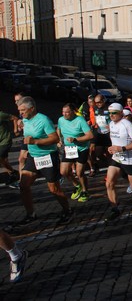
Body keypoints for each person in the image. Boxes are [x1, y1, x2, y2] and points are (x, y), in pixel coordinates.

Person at [17, 96, 74, 225]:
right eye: (19, 110)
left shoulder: (44, 120)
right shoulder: (25, 120)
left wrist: (35, 141)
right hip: (33, 156)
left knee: (53, 189)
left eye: (23, 110)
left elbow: (54, 139)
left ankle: (67, 210)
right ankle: (30, 214)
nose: (21, 113)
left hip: (47, 156)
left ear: (31, 109)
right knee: (23, 185)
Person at [104, 103, 132, 222]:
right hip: (117, 157)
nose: (112, 115)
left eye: (114, 113)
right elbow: (115, 141)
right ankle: (115, 209)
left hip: (129, 158)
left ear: (121, 113)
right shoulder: (111, 124)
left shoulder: (127, 124)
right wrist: (112, 148)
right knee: (109, 183)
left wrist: (122, 148)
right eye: (110, 113)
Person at [57, 103, 94, 202]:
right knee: (63, 172)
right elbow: (58, 129)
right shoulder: (61, 120)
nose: (64, 114)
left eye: (67, 112)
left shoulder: (80, 120)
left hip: (81, 149)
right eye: (63, 112)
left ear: (73, 112)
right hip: (69, 149)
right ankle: (77, 185)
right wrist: (59, 140)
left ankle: (85, 191)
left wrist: (76, 139)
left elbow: (90, 135)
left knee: (79, 172)